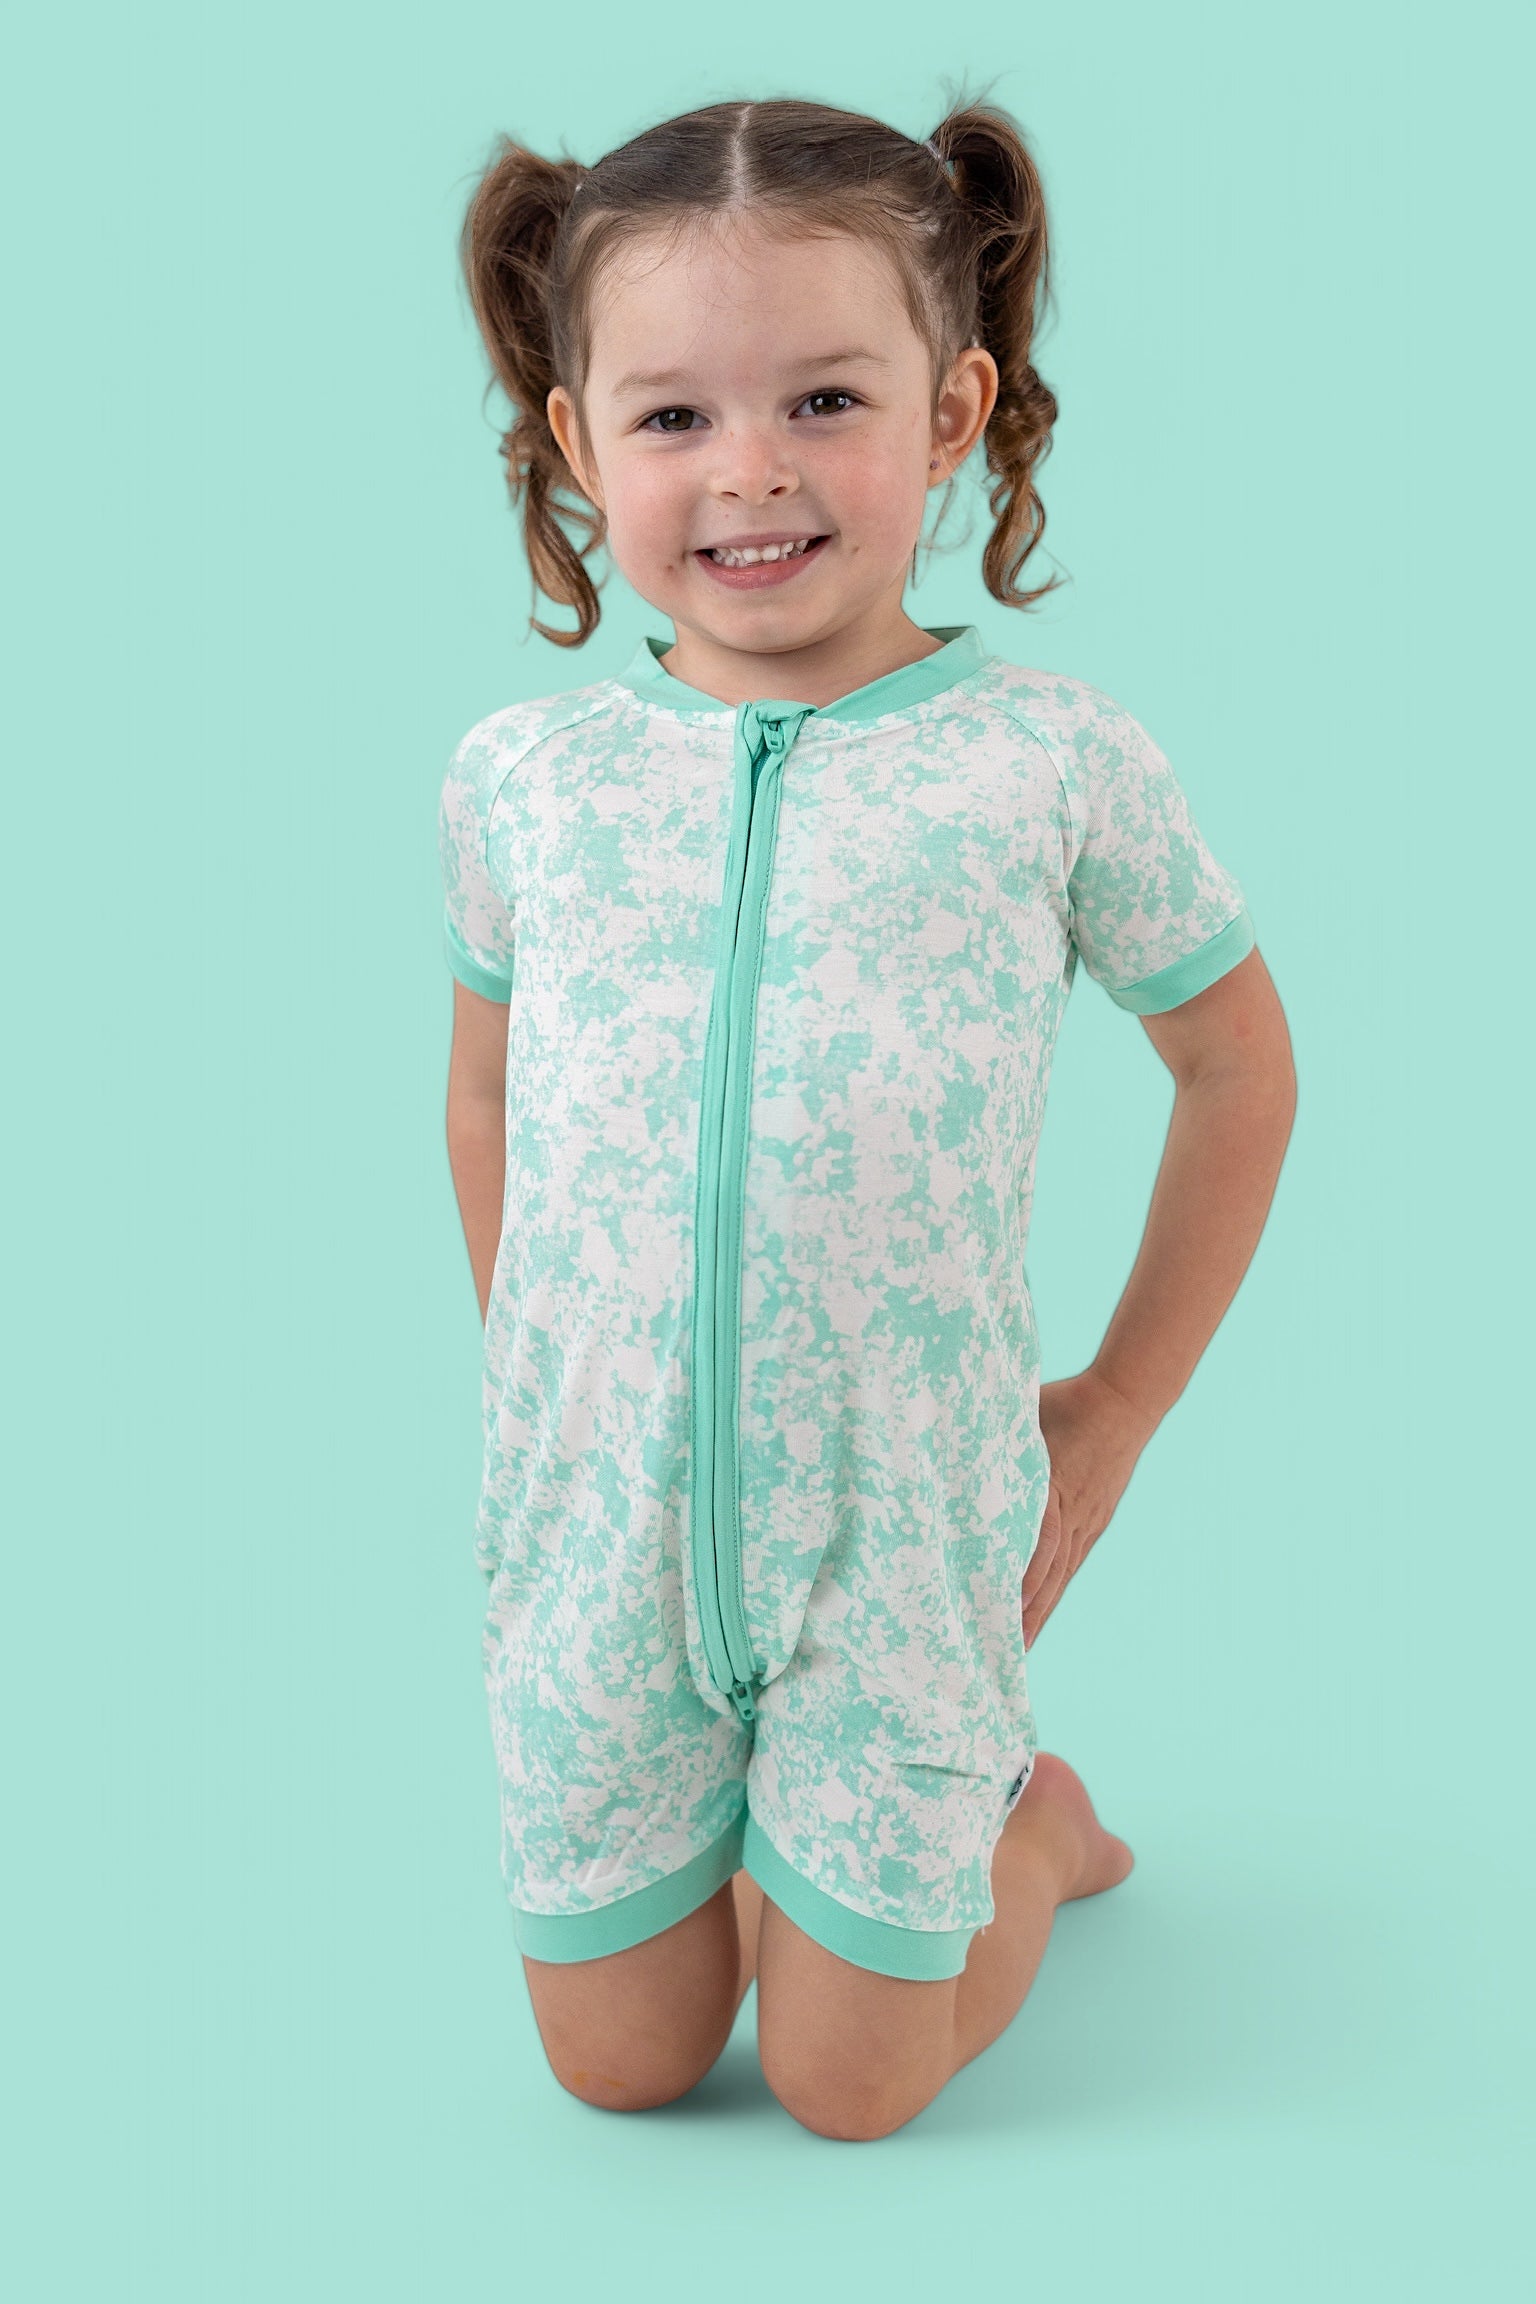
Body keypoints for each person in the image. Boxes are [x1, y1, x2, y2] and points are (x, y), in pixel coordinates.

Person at [438, 91, 1296, 2142]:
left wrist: (1114, 1409)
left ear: (952, 412)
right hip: (597, 1536)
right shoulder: (525, 780)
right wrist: (543, 1374)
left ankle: (1027, 1829)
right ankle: (773, 1852)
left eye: (824, 399)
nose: (750, 468)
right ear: (578, 447)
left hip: (903, 1538)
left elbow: (1236, 1065)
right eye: (672, 418)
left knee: (849, 2088)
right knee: (624, 2068)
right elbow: (484, 1089)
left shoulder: (1049, 763)